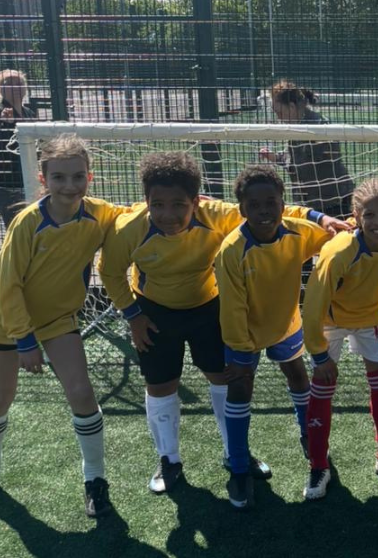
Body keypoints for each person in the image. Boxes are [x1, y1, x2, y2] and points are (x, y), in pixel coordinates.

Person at [100, 152, 344, 495]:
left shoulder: (216, 215)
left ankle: (235, 454)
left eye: (179, 205)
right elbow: (110, 272)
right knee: (161, 384)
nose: (168, 215)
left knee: (224, 378)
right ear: (146, 201)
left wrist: (320, 217)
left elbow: (275, 210)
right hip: (153, 313)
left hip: (208, 307)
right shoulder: (129, 229)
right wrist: (133, 315)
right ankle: (169, 459)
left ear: (196, 201)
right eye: (158, 205)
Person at [0, 135, 124, 518]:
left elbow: (132, 215)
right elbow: (7, 284)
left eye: (78, 176)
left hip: (58, 321)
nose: (70, 185)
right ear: (43, 179)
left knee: (82, 393)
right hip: (9, 324)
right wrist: (24, 340)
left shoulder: (98, 215)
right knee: (0, 396)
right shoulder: (28, 222)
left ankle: (95, 481)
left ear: (89, 177)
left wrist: (192, 203)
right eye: (59, 177)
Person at [213, 165, 333, 510]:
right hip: (245, 333)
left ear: (283, 203)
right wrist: (240, 351)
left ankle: (310, 436)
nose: (264, 211)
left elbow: (334, 239)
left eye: (271, 202)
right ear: (242, 209)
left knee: (298, 376)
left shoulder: (298, 232)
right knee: (240, 388)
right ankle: (239, 468)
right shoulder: (231, 250)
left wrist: (335, 224)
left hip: (286, 324)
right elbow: (232, 307)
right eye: (254, 205)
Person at [302, 178, 378, 499]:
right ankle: (319, 465)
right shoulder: (339, 251)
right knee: (322, 388)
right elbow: (313, 305)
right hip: (330, 320)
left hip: (371, 318)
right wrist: (319, 353)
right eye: (370, 215)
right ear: (356, 216)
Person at [264, 80, 355, 218]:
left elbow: (319, 159)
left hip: (334, 201)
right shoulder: (295, 125)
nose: (278, 117)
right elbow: (293, 159)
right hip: (309, 203)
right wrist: (275, 157)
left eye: (280, 112)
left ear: (292, 107)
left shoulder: (319, 125)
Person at [0, 67, 40, 231]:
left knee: (33, 227)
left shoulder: (29, 113)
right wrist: (5, 125)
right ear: (0, 89)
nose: (15, 87)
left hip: (29, 179)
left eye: (19, 83)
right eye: (9, 83)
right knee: (17, 229)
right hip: (5, 183)